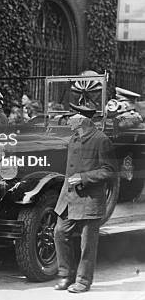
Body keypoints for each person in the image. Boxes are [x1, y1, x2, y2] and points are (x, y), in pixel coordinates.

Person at [53, 103, 117, 293]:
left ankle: (82, 281)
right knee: (59, 233)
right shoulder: (74, 138)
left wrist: (83, 178)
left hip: (90, 199)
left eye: (70, 117)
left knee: (87, 244)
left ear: (82, 119)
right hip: (68, 198)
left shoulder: (101, 140)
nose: (67, 120)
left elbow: (110, 171)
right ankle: (66, 275)